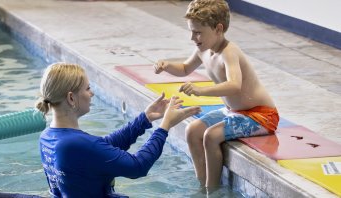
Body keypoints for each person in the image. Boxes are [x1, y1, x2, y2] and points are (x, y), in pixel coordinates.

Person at [154, 0, 279, 194]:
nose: (192, 37)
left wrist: (200, 91)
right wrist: (167, 65)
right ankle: (202, 182)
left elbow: (234, 85)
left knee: (211, 136)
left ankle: (212, 190)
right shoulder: (202, 49)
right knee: (192, 130)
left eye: (197, 32)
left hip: (259, 116)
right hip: (235, 112)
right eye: (191, 31)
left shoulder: (229, 52)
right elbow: (185, 68)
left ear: (218, 29)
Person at [35, 62, 201, 198]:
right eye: (87, 88)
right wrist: (165, 126)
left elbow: (103, 146)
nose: (91, 93)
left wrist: (145, 119)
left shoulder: (48, 137)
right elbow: (138, 167)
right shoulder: (77, 144)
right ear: (71, 98)